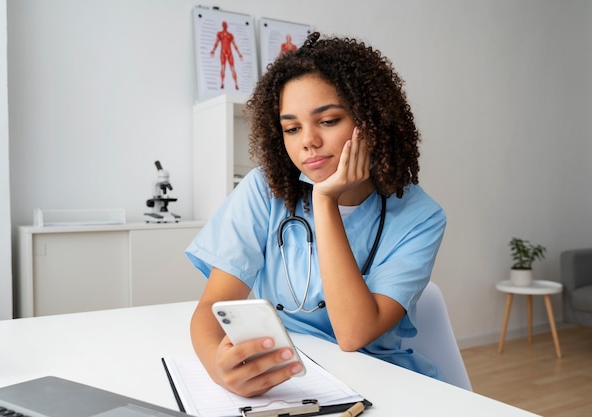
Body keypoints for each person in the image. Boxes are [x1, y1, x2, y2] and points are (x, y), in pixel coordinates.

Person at [186, 31, 446, 398]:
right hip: (286, 375)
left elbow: (354, 334)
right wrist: (217, 365)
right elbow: (212, 306)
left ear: (371, 121)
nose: (307, 140)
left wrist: (325, 200)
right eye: (292, 128)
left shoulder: (420, 217)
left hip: (378, 384)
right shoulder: (265, 190)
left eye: (328, 121)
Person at [210, 21, 243, 90]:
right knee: (223, 68)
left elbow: (234, 44)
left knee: (232, 68)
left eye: (225, 25)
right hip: (223, 52)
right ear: (222, 25)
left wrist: (239, 53)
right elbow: (216, 43)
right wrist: (213, 50)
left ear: (227, 26)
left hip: (229, 52)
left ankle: (236, 84)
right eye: (223, 25)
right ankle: (222, 83)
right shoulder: (220, 34)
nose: (224, 26)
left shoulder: (230, 35)